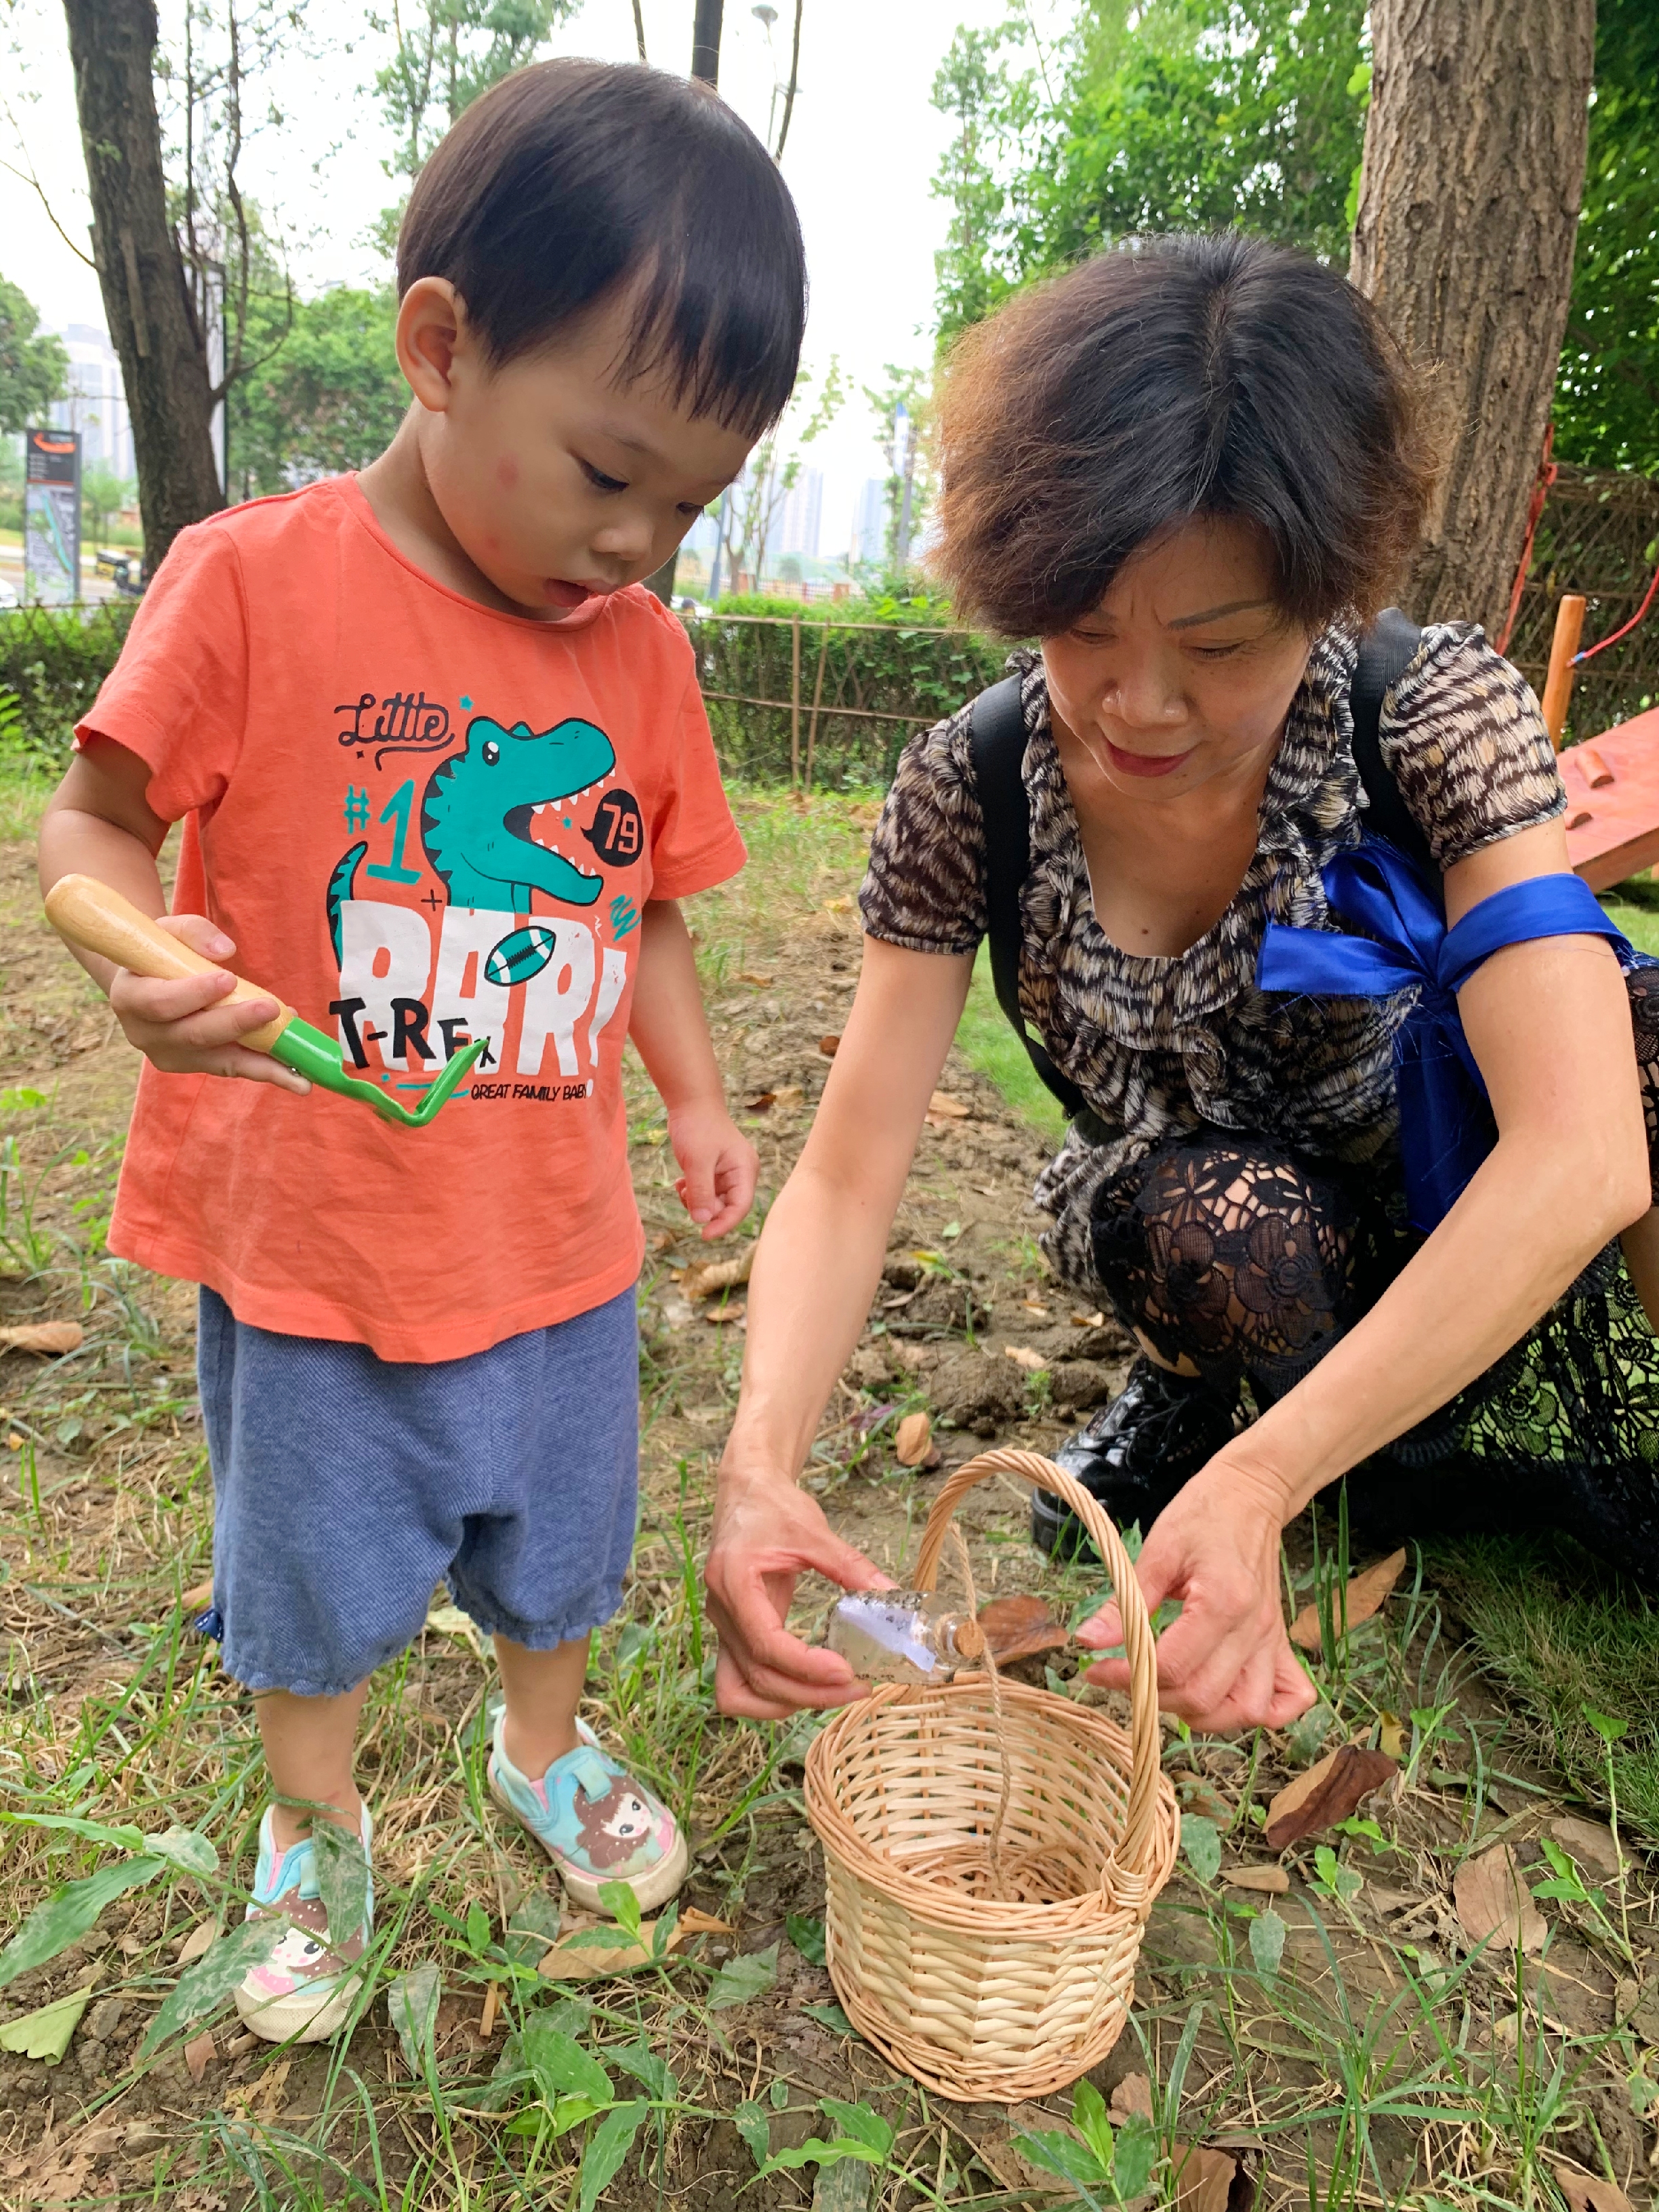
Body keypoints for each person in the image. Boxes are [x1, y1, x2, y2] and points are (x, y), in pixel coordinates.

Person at [37, 59, 805, 2043]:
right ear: (443, 349)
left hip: (552, 1238)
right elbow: (90, 830)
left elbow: (642, 905)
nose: (640, 544)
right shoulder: (254, 580)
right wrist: (138, 947)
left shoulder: (637, 660)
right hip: (320, 1244)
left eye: (688, 508)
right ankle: (314, 1826)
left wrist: (701, 1099)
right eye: (608, 471)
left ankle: (539, 1754)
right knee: (317, 1567)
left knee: (561, 1543)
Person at [705, 231, 1659, 1740]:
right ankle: (1244, 1414)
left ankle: (1317, 1454)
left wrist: (1260, 1489)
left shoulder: (1432, 714)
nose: (1137, 706)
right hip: (1244, 1235)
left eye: (1216, 645)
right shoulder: (978, 786)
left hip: (1454, 1187)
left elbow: (1586, 1147)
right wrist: (762, 1458)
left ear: (1327, 597)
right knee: (1209, 1221)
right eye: (1085, 631)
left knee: (1644, 1036)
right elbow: (844, 1171)